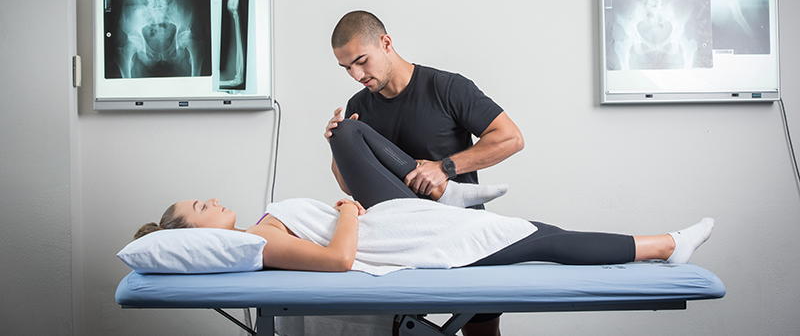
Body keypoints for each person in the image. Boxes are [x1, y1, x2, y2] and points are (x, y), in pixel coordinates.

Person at [136, 119, 714, 288]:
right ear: (192, 234)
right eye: (200, 206)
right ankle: (666, 247)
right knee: (542, 236)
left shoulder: (256, 234)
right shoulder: (256, 243)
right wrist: (343, 213)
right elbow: (339, 261)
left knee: (346, 132)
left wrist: (346, 202)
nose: (212, 201)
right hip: (402, 235)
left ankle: (453, 190)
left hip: (394, 216)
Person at [325, 10, 525, 335]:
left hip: (461, 232)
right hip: (402, 241)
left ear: (386, 43)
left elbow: (511, 138)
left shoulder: (446, 87)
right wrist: (338, 144)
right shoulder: (358, 104)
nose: (356, 74)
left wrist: (447, 168)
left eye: (361, 61)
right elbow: (350, 186)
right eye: (346, 67)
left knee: (482, 332)